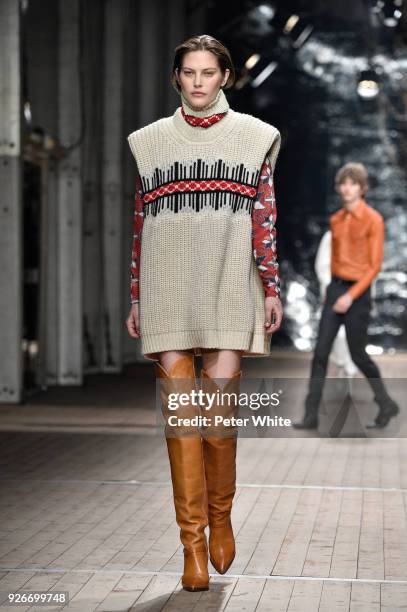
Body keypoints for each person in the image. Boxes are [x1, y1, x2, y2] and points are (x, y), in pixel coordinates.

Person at [125, 35, 283, 591]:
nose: (197, 82)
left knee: (216, 424)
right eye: (188, 72)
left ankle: (221, 517)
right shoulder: (147, 144)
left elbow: (264, 218)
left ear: (225, 77)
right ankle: (191, 548)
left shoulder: (256, 139)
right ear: (176, 78)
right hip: (168, 289)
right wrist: (137, 295)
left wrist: (270, 286)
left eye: (207, 72)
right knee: (182, 426)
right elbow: (140, 228)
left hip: (227, 285)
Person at [293, 162, 399, 431]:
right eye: (343, 183)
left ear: (362, 188)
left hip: (358, 293)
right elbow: (336, 260)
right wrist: (333, 290)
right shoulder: (337, 220)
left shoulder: (373, 219)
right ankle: (310, 415)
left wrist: (350, 296)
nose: (347, 188)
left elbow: (374, 266)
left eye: (352, 183)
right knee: (320, 354)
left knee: (358, 355)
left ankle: (385, 402)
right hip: (337, 290)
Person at [314, 229, 357, 377]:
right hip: (335, 289)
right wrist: (327, 288)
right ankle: (343, 361)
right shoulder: (331, 235)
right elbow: (322, 264)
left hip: (356, 290)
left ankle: (349, 362)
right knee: (338, 331)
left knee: (354, 328)